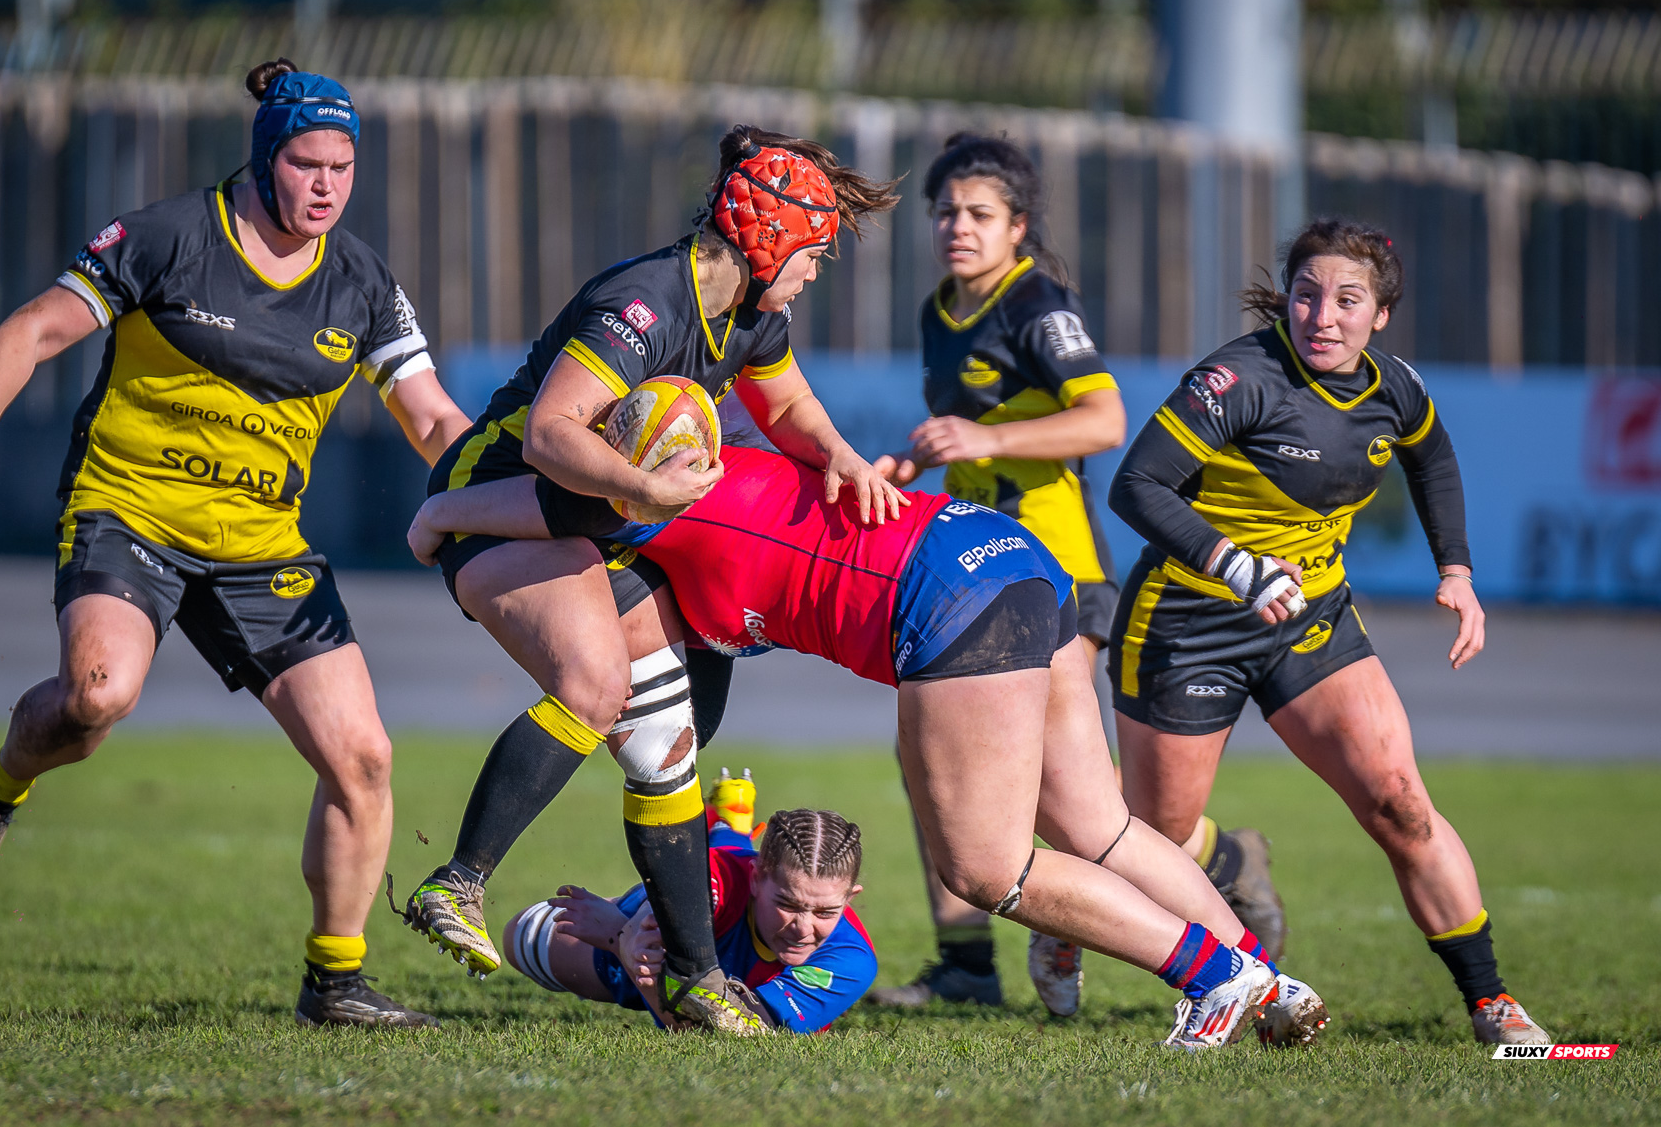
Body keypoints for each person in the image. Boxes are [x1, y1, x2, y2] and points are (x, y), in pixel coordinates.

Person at [410, 444, 1333, 1050]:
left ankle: (1213, 978)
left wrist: (441, 513)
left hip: (947, 601)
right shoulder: (710, 504)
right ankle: (1267, 978)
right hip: (1008, 556)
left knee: (989, 870)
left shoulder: (654, 495)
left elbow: (539, 502)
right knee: (1101, 825)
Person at [0, 57, 471, 1029]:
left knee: (366, 759)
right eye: (307, 164)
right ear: (267, 160)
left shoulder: (361, 284)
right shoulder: (169, 237)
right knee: (97, 700)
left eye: (343, 168)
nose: (326, 186)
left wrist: (517, 473)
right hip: (129, 513)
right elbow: (37, 328)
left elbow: (433, 421)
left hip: (263, 546)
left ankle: (334, 981)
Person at [398, 126, 906, 1034]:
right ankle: (459, 881)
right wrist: (643, 490)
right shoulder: (644, 302)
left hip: (600, 518)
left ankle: (695, 974)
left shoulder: (752, 316)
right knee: (596, 686)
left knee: (672, 731)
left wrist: (841, 456)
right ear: (771, 240)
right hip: (508, 498)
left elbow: (783, 403)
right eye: (816, 255)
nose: (817, 273)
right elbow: (554, 433)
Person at [1105, 217, 1549, 1047]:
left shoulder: (1395, 388)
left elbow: (1434, 458)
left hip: (1310, 618)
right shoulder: (1239, 378)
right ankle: (1223, 872)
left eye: (1348, 300)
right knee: (1150, 836)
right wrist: (1234, 566)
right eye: (1307, 294)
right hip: (1187, 622)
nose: (1322, 315)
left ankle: (1495, 1005)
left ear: (1381, 314)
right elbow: (1136, 486)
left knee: (1399, 801)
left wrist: (1457, 569)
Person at [871, 133, 1282, 1015]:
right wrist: (919, 462)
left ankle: (1220, 884)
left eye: (979, 213)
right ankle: (967, 963)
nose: (957, 226)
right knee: (930, 763)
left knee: (1064, 805)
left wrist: (985, 440)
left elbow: (1102, 417)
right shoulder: (941, 309)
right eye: (946, 211)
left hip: (1052, 572)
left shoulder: (1038, 303)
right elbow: (974, 426)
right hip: (970, 570)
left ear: (1017, 226)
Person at [504, 799, 877, 1034]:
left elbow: (729, 1033)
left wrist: (618, 938)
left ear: (850, 898)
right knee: (519, 935)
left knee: (715, 866)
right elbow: (657, 925)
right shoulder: (717, 884)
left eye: (826, 911)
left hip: (630, 946)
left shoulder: (851, 960)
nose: (803, 928)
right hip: (648, 923)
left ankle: (729, 822)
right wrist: (635, 931)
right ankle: (726, 828)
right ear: (757, 880)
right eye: (789, 905)